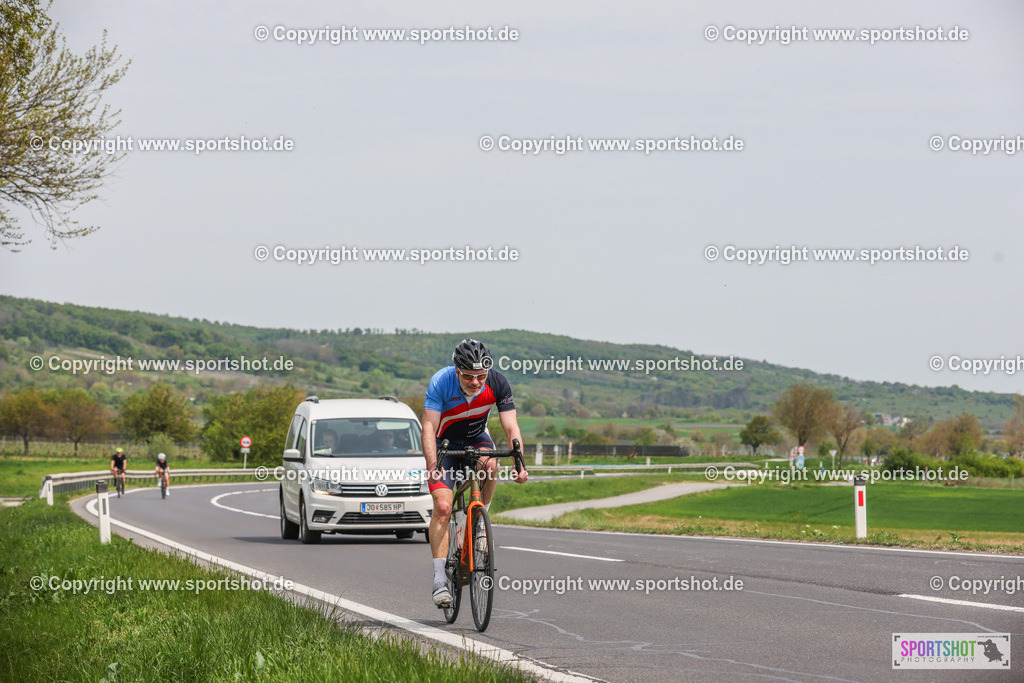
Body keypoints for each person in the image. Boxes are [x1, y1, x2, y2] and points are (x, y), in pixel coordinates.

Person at [422, 338, 528, 607]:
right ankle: (439, 580)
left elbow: (511, 428)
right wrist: (432, 466)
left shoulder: (497, 383)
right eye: (468, 376)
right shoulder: (441, 381)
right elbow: (428, 427)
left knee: (491, 464)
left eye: (480, 376)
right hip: (443, 443)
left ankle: (479, 520)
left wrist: (520, 463)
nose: (475, 382)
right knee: (444, 507)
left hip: (476, 439)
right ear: (457, 371)